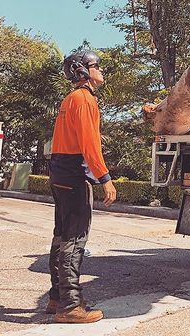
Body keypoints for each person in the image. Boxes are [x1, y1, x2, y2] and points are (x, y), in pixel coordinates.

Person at [46, 50, 117, 324]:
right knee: (75, 241)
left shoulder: (69, 100)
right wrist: (105, 178)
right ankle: (71, 305)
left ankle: (56, 297)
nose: (101, 70)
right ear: (82, 71)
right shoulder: (85, 100)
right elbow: (90, 144)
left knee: (61, 236)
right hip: (74, 175)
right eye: (96, 65)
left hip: (60, 172)